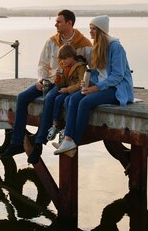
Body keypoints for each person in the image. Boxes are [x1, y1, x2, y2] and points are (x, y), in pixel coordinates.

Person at [0, 9, 92, 164]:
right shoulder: (51, 41)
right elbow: (43, 64)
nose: (55, 24)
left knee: (49, 99)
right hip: (49, 80)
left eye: (59, 21)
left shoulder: (83, 44)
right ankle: (16, 143)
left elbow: (93, 68)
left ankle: (38, 144)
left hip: (65, 83)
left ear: (69, 23)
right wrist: (41, 79)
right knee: (22, 98)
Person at [54, 15, 134, 154]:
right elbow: (97, 73)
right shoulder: (97, 47)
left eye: (93, 29)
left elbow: (117, 76)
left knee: (85, 103)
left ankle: (75, 142)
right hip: (101, 86)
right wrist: (88, 84)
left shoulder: (116, 48)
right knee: (72, 99)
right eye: (90, 28)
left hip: (116, 89)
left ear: (101, 31)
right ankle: (67, 139)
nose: (90, 32)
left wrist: (95, 88)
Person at [46, 45, 88, 145]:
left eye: (65, 59)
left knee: (65, 101)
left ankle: (66, 128)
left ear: (72, 56)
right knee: (58, 99)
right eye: (61, 59)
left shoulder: (80, 67)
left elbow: (81, 83)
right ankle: (55, 125)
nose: (63, 61)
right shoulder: (64, 67)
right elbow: (62, 84)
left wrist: (67, 90)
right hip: (68, 90)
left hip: (76, 91)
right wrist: (58, 78)